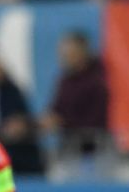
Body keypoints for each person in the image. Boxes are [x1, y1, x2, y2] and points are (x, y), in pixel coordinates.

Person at [42, 30, 110, 162]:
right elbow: (56, 108)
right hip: (68, 148)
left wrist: (63, 122)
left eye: (69, 53)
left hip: (93, 152)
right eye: (63, 53)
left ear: (82, 52)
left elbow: (96, 121)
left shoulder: (97, 82)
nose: (65, 57)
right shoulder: (65, 80)